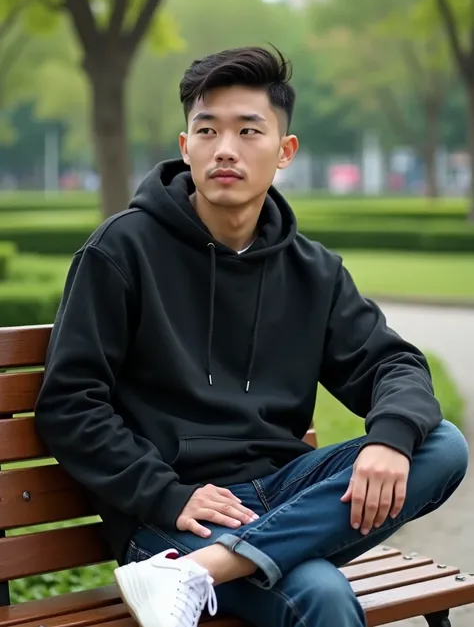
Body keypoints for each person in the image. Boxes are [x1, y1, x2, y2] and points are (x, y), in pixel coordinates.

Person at [36, 46, 468, 627]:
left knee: (440, 445)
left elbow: (393, 366)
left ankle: (200, 574)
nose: (226, 149)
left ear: (284, 151)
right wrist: (167, 493)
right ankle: (190, 562)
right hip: (176, 514)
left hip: (283, 498)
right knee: (322, 595)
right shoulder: (121, 252)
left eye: (248, 130)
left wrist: (389, 438)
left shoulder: (312, 271)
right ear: (185, 146)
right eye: (207, 130)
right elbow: (69, 404)